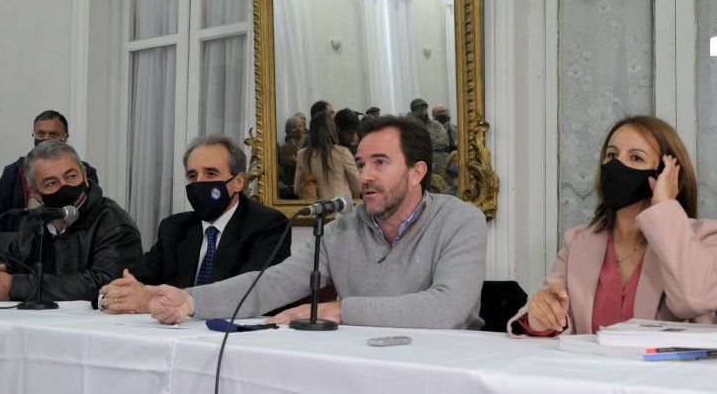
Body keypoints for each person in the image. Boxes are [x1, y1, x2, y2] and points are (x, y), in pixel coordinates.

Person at [144, 115, 487, 329]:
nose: (365, 176)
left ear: (417, 171)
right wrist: (191, 301)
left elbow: (447, 308)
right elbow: (275, 282)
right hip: (365, 366)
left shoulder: (459, 220)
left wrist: (341, 310)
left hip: (445, 370)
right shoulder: (345, 227)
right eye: (361, 163)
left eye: (380, 163)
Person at [508, 116, 717, 336]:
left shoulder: (705, 235)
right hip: (594, 371)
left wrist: (665, 206)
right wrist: (541, 318)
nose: (617, 165)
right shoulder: (577, 241)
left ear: (666, 173)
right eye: (612, 155)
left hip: (670, 371)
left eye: (635, 157)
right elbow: (555, 313)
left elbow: (697, 300)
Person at [98, 135, 291, 314]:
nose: (199, 183)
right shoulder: (174, 229)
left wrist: (152, 300)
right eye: (192, 176)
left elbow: (246, 294)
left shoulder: (268, 225)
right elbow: (129, 281)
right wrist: (111, 296)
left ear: (238, 182)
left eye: (211, 174)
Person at [0, 141, 142, 302]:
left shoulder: (114, 222)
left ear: (84, 174)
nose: (65, 187)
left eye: (71, 176)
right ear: (35, 192)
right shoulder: (34, 221)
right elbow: (9, 268)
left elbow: (105, 285)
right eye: (51, 183)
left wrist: (14, 287)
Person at [0, 110, 99, 232]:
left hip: (67, 242)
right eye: (41, 134)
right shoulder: (13, 171)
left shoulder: (81, 172)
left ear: (65, 137)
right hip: (20, 244)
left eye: (53, 134)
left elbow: (90, 211)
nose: (46, 139)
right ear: (34, 135)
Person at [294, 112, 360, 200]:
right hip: (340, 207)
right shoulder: (342, 152)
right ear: (333, 130)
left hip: (314, 207)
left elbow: (297, 189)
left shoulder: (301, 155)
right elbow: (358, 185)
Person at [409, 99, 449, 181]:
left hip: (441, 167)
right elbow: (412, 145)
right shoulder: (409, 126)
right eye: (419, 109)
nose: (423, 111)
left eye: (424, 108)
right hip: (421, 167)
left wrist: (424, 143)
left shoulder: (435, 124)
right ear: (413, 111)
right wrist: (432, 141)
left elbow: (444, 142)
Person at [279, 116, 305, 199]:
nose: (298, 129)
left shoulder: (310, 143)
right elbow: (297, 164)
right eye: (294, 127)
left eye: (300, 126)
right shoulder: (285, 148)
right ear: (288, 131)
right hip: (293, 187)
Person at [433, 105, 458, 183]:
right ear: (433, 116)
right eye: (439, 112)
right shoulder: (430, 128)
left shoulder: (455, 128)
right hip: (437, 163)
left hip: (454, 161)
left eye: (443, 111)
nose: (442, 113)